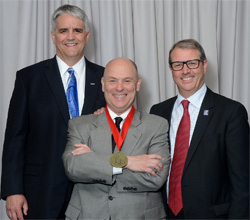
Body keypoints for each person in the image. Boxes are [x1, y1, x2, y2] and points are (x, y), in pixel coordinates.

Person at [1, 4, 106, 220]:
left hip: (93, 192)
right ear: (53, 36)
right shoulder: (28, 79)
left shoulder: (107, 79)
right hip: (40, 192)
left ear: (86, 37)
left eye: (77, 30)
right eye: (63, 30)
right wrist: (13, 190)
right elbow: (15, 138)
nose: (70, 37)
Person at [150, 39, 249, 219]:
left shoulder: (231, 112)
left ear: (204, 65)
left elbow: (242, 183)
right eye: (178, 65)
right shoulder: (158, 112)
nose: (185, 70)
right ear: (171, 70)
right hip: (165, 214)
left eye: (192, 63)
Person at [62, 57, 171, 220]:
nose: (119, 88)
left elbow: (155, 177)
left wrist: (93, 160)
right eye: (112, 81)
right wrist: (128, 162)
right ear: (103, 84)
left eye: (127, 81)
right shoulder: (79, 125)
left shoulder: (157, 125)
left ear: (138, 84)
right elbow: (73, 167)